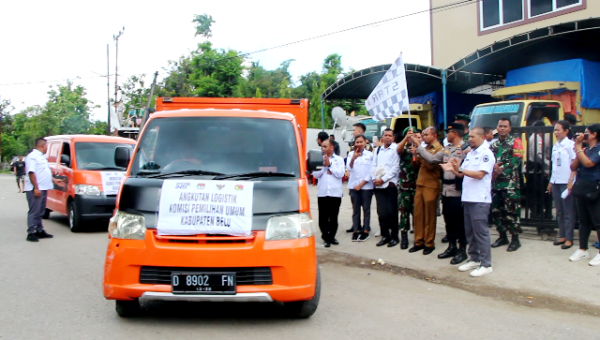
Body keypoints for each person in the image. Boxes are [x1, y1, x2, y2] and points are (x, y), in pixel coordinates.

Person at [441, 127, 496, 277]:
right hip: (468, 198)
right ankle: (474, 258)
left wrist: (461, 170)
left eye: (473, 136)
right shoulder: (471, 153)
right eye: (469, 136)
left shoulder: (486, 154)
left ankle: (486, 264)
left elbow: (479, 175)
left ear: (482, 137)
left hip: (479, 199)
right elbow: (461, 173)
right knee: (470, 231)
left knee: (481, 232)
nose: (470, 139)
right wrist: (452, 169)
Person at [567, 124, 600, 266]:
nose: (583, 135)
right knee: (584, 220)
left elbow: (589, 163)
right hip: (582, 186)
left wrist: (579, 148)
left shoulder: (598, 149)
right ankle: (583, 249)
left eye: (586, 132)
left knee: (598, 221)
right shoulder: (585, 149)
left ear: (594, 135)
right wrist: (578, 151)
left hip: (594, 188)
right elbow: (574, 167)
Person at [408, 127, 444, 255]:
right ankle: (418, 241)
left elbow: (430, 163)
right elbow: (417, 166)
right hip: (421, 183)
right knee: (418, 214)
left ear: (434, 135)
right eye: (422, 134)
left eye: (426, 134)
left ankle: (429, 242)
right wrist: (415, 155)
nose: (423, 137)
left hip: (431, 185)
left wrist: (419, 148)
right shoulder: (425, 149)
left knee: (429, 215)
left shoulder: (439, 149)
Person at [490, 118, 524, 252]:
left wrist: (501, 170)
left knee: (511, 212)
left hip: (510, 184)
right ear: (497, 128)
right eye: (500, 126)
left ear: (510, 128)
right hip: (495, 184)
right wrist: (493, 170)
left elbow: (517, 159)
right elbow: (488, 160)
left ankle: (515, 239)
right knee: (497, 211)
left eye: (505, 126)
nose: (502, 128)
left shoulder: (516, 142)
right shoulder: (493, 145)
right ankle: (502, 236)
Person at [437, 123, 469, 264]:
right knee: (448, 220)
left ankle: (462, 250)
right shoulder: (447, 149)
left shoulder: (465, 149)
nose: (446, 135)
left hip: (458, 190)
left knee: (459, 222)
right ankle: (452, 246)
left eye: (448, 132)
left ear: (454, 133)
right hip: (446, 190)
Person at [24, 138, 65, 242]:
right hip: (36, 189)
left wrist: (54, 180)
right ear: (42, 146)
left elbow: (43, 172)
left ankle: (39, 230)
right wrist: (36, 188)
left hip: (43, 188)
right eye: (46, 146)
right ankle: (31, 232)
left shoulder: (41, 157)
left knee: (40, 211)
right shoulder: (32, 157)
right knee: (34, 211)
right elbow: (31, 173)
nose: (47, 148)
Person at [547, 121, 576, 250]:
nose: (556, 132)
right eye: (555, 130)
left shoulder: (570, 145)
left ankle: (569, 238)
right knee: (559, 211)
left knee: (568, 211)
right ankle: (562, 235)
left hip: (566, 181)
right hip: (556, 181)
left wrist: (571, 180)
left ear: (566, 131)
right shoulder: (556, 146)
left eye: (558, 130)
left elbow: (575, 164)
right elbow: (555, 166)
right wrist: (551, 181)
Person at [312, 139, 345, 247]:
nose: (323, 148)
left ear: (332, 147)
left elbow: (340, 174)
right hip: (323, 193)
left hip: (335, 193)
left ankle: (332, 236)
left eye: (325, 146)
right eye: (322, 147)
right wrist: (324, 166)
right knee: (323, 217)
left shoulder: (339, 159)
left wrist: (330, 165)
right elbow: (315, 175)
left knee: (333, 217)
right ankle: (325, 237)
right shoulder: (318, 159)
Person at [371, 129, 400, 248]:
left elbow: (395, 168)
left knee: (392, 212)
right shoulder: (377, 150)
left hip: (390, 184)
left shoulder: (396, 149)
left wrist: (383, 179)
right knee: (381, 212)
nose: (387, 137)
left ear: (393, 138)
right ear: (382, 137)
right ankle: (385, 235)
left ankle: (394, 237)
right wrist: (374, 178)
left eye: (390, 135)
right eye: (385, 135)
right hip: (378, 185)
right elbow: (373, 165)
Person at [396, 127, 420, 248]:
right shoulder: (404, 149)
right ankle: (404, 236)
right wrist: (406, 138)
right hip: (404, 186)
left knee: (416, 213)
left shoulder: (419, 148)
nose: (412, 137)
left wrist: (417, 147)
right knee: (404, 213)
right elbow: (398, 150)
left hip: (417, 186)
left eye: (413, 134)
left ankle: (418, 237)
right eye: (409, 135)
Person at [346, 135, 374, 242]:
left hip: (366, 186)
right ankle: (356, 230)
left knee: (366, 209)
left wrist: (361, 185)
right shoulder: (351, 154)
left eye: (361, 142)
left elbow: (371, 172)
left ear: (365, 142)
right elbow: (348, 168)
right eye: (357, 142)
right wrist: (353, 159)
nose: (359, 144)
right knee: (355, 209)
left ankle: (365, 230)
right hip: (353, 186)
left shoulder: (370, 155)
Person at [525, 120, 552, 220]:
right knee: (537, 193)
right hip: (535, 169)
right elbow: (538, 155)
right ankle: (537, 214)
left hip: (537, 169)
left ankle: (537, 213)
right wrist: (548, 165)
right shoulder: (536, 138)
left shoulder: (540, 137)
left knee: (538, 193)